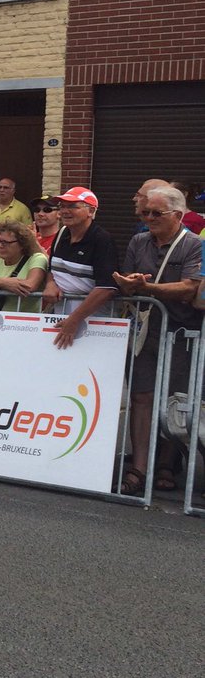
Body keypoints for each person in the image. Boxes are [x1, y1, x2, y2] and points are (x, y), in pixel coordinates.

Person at [112, 185, 201, 496]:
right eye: (145, 212)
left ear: (177, 215)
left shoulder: (194, 245)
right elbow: (127, 279)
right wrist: (127, 284)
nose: (148, 218)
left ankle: (166, 463)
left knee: (175, 399)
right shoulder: (138, 241)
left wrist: (146, 289)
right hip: (144, 332)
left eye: (156, 213)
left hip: (180, 333)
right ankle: (139, 468)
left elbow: (190, 288)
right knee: (141, 396)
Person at [42, 187, 119, 349]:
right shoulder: (62, 233)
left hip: (95, 323)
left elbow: (107, 287)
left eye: (72, 206)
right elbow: (52, 268)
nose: (65, 211)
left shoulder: (102, 239)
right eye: (62, 206)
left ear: (91, 211)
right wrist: (50, 283)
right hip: (61, 317)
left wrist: (74, 319)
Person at [0, 220, 48, 311]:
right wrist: (3, 282)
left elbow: (29, 286)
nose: (0, 246)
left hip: (25, 318)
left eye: (5, 242)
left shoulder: (37, 258)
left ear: (22, 244)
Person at [0, 178, 32, 257]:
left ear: (13, 191)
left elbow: (28, 232)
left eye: (6, 188)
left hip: (13, 254)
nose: (2, 190)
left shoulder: (22, 209)